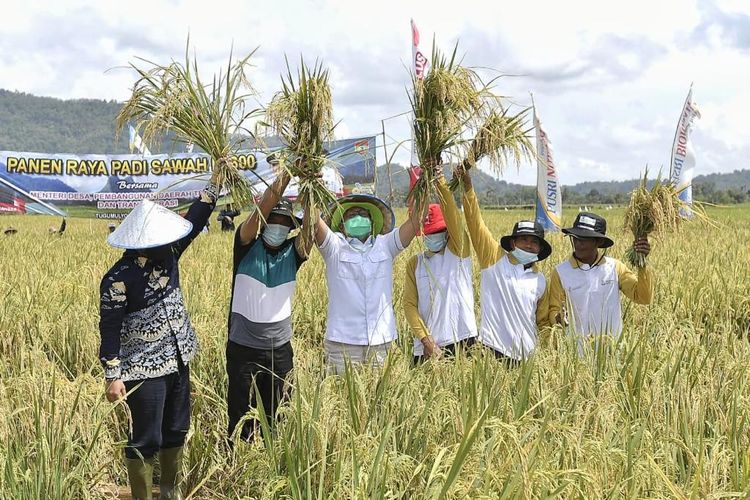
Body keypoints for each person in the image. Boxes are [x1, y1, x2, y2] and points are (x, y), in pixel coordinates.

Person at [99, 181, 218, 500]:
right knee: (146, 438)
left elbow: (194, 220)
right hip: (143, 369)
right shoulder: (118, 278)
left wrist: (215, 181)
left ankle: (170, 493)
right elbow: (109, 329)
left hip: (179, 359)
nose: (165, 242)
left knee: (177, 430)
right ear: (139, 242)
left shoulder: (170, 253)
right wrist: (113, 375)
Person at [226, 169, 312, 443]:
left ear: (290, 227)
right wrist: (287, 175)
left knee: (277, 415)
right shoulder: (246, 244)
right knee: (241, 417)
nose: (278, 225)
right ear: (264, 222)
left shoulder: (293, 253)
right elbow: (263, 206)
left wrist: (310, 186)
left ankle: (270, 463)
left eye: (284, 222)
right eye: (272, 219)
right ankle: (239, 466)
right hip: (243, 348)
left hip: (279, 350)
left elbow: (311, 230)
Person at [314, 193, 423, 373]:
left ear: (372, 222)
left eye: (363, 214)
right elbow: (314, 220)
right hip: (343, 343)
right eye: (351, 216)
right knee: (342, 397)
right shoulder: (334, 247)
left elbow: (416, 221)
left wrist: (426, 182)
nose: (358, 218)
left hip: (380, 342)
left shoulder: (386, 245)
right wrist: (310, 182)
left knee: (382, 397)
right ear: (341, 224)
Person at [455, 167, 552, 363]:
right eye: (523, 239)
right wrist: (467, 187)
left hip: (526, 358)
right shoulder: (494, 259)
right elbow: (476, 224)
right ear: (513, 242)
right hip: (491, 353)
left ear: (540, 249)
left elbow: (542, 322)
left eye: (534, 242)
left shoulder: (540, 280)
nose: (528, 244)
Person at [547, 212, 653, 346]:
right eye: (575, 238)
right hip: (576, 354)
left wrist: (642, 264)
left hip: (611, 350)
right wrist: (558, 318)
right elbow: (554, 309)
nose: (578, 244)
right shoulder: (561, 272)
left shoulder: (615, 268)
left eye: (584, 239)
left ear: (599, 241)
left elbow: (643, 298)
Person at [403, 173, 478, 362]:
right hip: (426, 347)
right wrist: (426, 340)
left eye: (437, 231)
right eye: (428, 233)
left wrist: (440, 183)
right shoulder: (415, 263)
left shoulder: (458, 251)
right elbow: (410, 305)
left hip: (462, 340)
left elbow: (454, 218)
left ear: (447, 232)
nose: (432, 236)